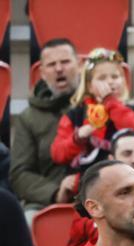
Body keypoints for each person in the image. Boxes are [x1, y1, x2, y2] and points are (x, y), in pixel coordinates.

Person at [51, 49, 134, 175]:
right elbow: (57, 154)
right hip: (87, 180)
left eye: (115, 76)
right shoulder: (76, 115)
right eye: (102, 78)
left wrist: (111, 103)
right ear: (89, 86)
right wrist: (77, 138)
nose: (110, 81)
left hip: (126, 176)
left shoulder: (133, 109)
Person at [11, 37, 81, 209]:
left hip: (100, 199)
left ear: (79, 64)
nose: (59, 69)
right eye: (51, 65)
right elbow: (20, 174)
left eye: (65, 62)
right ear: (42, 72)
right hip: (45, 203)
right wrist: (55, 192)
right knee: (28, 222)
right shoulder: (27, 118)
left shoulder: (99, 106)